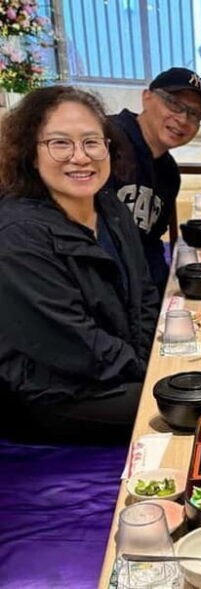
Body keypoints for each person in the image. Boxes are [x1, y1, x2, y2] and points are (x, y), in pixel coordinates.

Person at [0, 86, 160, 444]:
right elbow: (72, 343)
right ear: (30, 152)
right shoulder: (17, 235)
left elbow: (145, 292)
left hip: (119, 368)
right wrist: (148, 371)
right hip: (53, 394)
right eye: (59, 143)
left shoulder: (109, 207)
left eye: (91, 142)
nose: (80, 157)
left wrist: (151, 359)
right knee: (193, 406)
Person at [109, 67, 201, 293]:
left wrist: (160, 296)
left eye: (195, 114)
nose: (183, 119)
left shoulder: (168, 173)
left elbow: (151, 243)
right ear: (147, 97)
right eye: (174, 104)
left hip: (137, 295)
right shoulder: (103, 142)